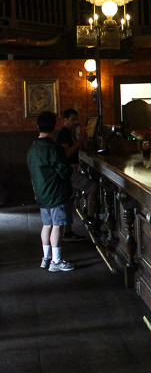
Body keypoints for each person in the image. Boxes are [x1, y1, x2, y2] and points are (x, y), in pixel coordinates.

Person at [27, 110, 76, 272]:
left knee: (46, 225)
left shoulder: (32, 149)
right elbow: (63, 171)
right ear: (54, 127)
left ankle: (46, 258)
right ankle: (56, 261)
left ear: (37, 126)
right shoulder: (54, 148)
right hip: (56, 193)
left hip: (41, 193)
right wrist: (71, 168)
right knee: (57, 226)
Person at [56, 108, 99, 235]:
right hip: (68, 170)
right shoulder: (63, 133)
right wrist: (80, 140)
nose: (75, 122)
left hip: (71, 169)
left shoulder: (70, 133)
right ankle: (89, 217)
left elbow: (85, 148)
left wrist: (83, 136)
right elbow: (66, 153)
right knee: (93, 187)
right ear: (65, 120)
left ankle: (68, 231)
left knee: (69, 199)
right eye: (72, 120)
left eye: (76, 119)